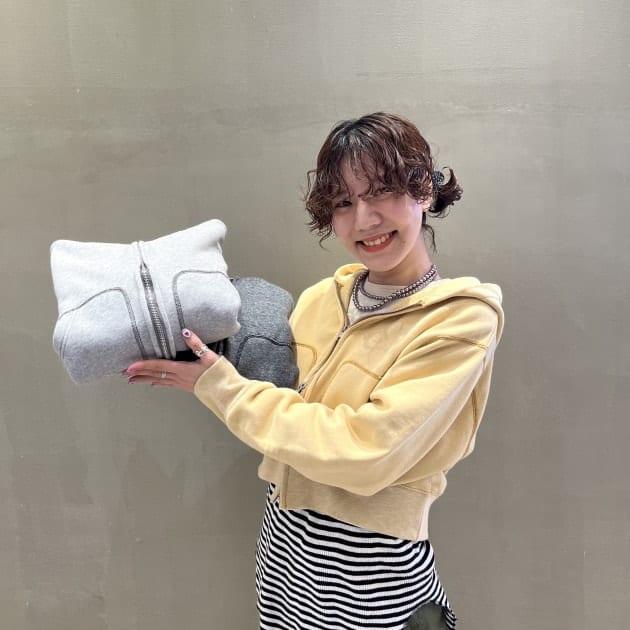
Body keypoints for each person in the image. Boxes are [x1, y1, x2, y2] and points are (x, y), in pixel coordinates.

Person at [125, 112, 504, 630]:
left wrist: (222, 390)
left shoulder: (459, 319)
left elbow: (367, 454)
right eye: (344, 202)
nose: (364, 219)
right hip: (282, 550)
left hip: (373, 569)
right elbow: (284, 423)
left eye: (382, 191)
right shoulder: (321, 299)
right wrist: (203, 357)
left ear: (424, 191)